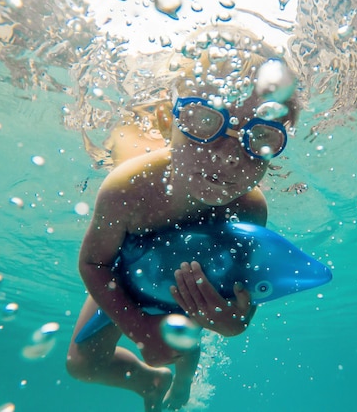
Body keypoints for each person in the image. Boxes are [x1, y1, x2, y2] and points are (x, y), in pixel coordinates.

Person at [66, 25, 300, 411]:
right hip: (126, 275)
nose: (229, 155)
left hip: (184, 289)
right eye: (205, 121)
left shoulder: (250, 209)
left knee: (185, 324)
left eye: (260, 139)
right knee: (82, 364)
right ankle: (152, 381)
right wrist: (140, 330)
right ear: (167, 119)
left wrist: (236, 322)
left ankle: (184, 372)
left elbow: (238, 288)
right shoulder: (127, 188)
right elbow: (94, 263)